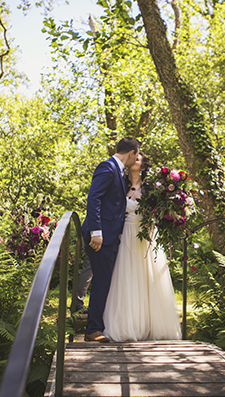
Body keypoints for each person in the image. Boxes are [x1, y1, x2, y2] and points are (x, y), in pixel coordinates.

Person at [103, 152, 182, 342]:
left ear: (143, 164)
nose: (133, 159)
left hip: (147, 236)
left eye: (137, 158)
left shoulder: (153, 188)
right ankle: (127, 325)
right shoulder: (120, 184)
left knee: (150, 279)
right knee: (127, 278)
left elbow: (164, 210)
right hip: (126, 235)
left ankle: (153, 325)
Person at [81, 138, 140, 342]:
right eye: (137, 155)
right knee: (101, 281)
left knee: (104, 281)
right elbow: (94, 198)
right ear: (132, 153)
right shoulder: (107, 167)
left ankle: (98, 325)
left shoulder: (120, 172)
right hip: (101, 236)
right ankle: (93, 329)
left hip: (111, 235)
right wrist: (96, 232)